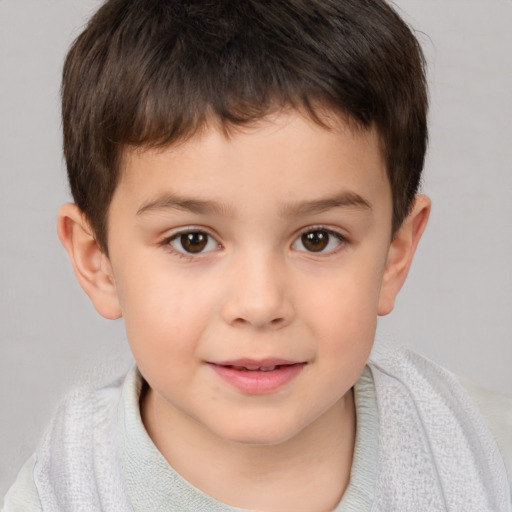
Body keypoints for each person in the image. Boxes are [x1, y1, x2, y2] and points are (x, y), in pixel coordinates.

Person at [3, 0, 511, 510]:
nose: (260, 302)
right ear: (99, 262)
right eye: (192, 240)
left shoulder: (486, 454)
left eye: (317, 239)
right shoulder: (59, 495)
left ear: (394, 256)